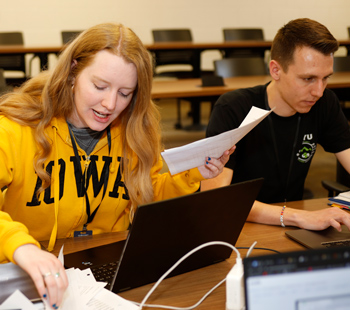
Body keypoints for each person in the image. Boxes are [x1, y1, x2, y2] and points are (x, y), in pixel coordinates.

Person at [0, 23, 233, 309]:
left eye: (125, 93)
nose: (109, 104)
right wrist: (21, 246)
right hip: (30, 271)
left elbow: (147, 194)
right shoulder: (14, 129)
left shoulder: (135, 131)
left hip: (102, 268)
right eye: (100, 86)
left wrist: (193, 173)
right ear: (73, 71)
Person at [202, 18, 350, 232]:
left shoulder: (324, 103)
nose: (318, 91)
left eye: (325, 78)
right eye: (308, 79)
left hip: (293, 225)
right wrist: (298, 217)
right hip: (239, 226)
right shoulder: (233, 108)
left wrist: (297, 218)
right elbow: (215, 198)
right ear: (276, 70)